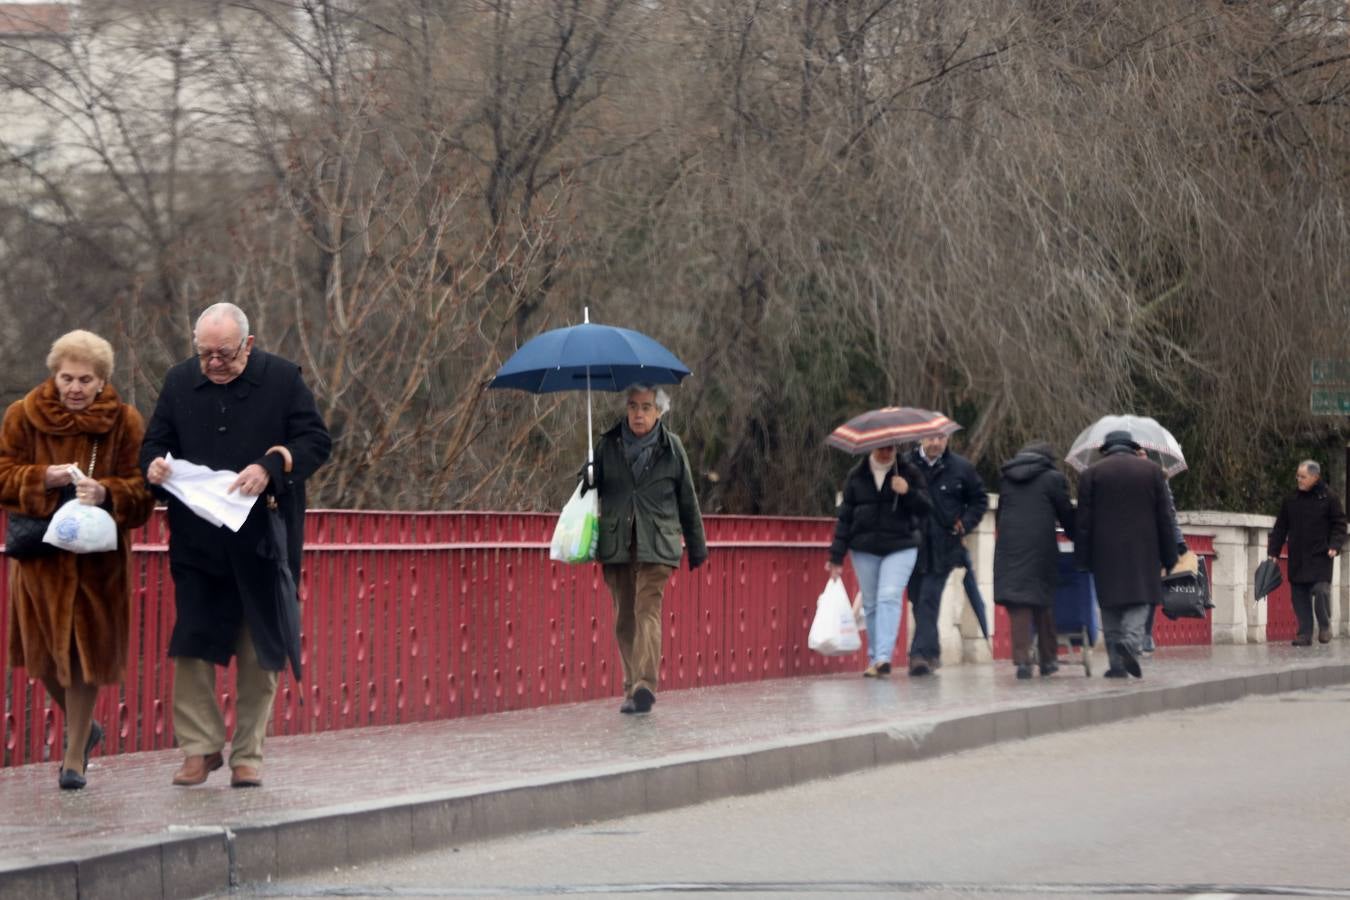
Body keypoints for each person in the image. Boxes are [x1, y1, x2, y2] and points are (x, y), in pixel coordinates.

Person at [141, 303, 331, 787]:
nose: (214, 363)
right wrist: (155, 468)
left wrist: (272, 464)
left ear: (247, 344)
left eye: (224, 353)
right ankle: (200, 748)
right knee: (192, 644)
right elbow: (153, 444)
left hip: (264, 540)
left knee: (259, 651)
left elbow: (315, 441)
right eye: (204, 353)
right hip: (198, 541)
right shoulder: (180, 381)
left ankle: (249, 754)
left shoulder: (284, 379)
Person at [0, 330, 155, 789]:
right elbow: (3, 476)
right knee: (44, 658)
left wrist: (107, 492)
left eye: (85, 379)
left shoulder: (124, 423)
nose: (75, 388)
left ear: (102, 380)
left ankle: (72, 759)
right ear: (54, 374)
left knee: (84, 656)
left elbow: (143, 492)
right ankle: (86, 731)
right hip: (40, 561)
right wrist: (41, 477)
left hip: (98, 564)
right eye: (67, 377)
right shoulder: (22, 416)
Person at [587, 384, 706, 714]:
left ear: (659, 411)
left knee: (647, 610)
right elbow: (588, 494)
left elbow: (688, 499)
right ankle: (631, 686)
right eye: (633, 406)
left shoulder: (672, 448)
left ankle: (644, 684)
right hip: (618, 543)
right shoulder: (607, 445)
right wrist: (587, 476)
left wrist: (697, 546)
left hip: (657, 543)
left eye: (646, 407)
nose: (638, 413)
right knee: (624, 616)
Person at [1074, 430, 1179, 678]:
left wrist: (1083, 558)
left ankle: (1117, 665)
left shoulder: (1091, 474)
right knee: (1141, 600)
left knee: (1110, 606)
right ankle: (1131, 643)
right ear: (1132, 448)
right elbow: (1164, 517)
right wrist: (1169, 555)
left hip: (1104, 552)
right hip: (1144, 551)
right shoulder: (1152, 472)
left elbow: (1083, 521)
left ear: (1106, 449)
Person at [827, 444, 931, 677]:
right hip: (864, 548)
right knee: (871, 604)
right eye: (880, 449)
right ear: (870, 449)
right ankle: (875, 658)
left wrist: (908, 492)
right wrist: (836, 555)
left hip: (901, 546)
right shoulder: (856, 476)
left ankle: (883, 656)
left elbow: (926, 507)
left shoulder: (909, 472)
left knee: (889, 597)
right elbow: (845, 517)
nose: (886, 453)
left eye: (890, 449)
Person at [906, 431, 988, 676]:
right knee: (917, 600)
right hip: (912, 544)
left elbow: (979, 500)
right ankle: (932, 653)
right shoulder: (905, 465)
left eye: (941, 438)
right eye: (930, 438)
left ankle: (918, 656)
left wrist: (966, 522)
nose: (936, 442)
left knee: (929, 599)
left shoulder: (960, 468)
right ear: (920, 439)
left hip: (945, 546)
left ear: (947, 439)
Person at [992, 442, 1075, 680]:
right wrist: (1077, 534)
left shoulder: (1007, 479)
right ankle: (1048, 660)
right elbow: (1065, 512)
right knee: (1042, 601)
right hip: (1041, 547)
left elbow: (1000, 515)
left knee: (1019, 603)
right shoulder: (1053, 478)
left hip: (1010, 548)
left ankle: (1022, 663)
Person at [1267, 460, 1347, 646]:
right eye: (1298, 476)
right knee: (1299, 595)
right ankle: (1304, 634)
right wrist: (1274, 551)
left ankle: (1325, 626)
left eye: (1303, 477)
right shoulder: (1291, 499)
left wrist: (1335, 545)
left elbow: (1339, 524)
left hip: (1321, 554)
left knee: (1321, 591)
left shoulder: (1329, 498)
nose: (1299, 480)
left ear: (1315, 477)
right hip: (1298, 555)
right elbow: (1281, 527)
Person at [1139, 449, 1186, 654]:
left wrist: (1178, 541)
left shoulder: (1159, 478)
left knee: (1150, 590)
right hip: (1131, 544)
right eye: (1136, 452)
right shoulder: (1121, 477)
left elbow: (1169, 513)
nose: (1140, 457)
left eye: (1143, 453)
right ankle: (1135, 634)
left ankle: (1146, 634)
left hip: (1153, 544)